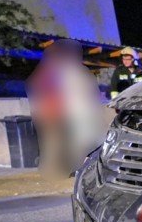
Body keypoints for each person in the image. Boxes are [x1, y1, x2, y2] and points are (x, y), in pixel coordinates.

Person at [27, 39, 105, 178]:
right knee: (60, 144)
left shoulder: (75, 72)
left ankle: (75, 168)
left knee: (78, 142)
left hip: (74, 114)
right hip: (62, 115)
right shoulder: (54, 74)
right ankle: (61, 170)